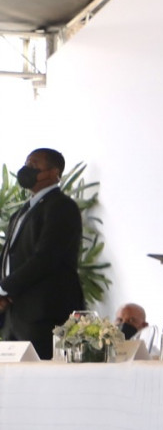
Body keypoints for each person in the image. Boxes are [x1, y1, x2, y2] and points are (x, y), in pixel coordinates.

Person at [0, 148, 85, 359]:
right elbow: (11, 257)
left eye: (34, 165)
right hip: (16, 315)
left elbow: (46, 258)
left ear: (54, 173)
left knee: (43, 374)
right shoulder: (21, 212)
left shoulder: (62, 206)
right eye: (26, 164)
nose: (26, 169)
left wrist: (5, 287)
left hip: (45, 314)